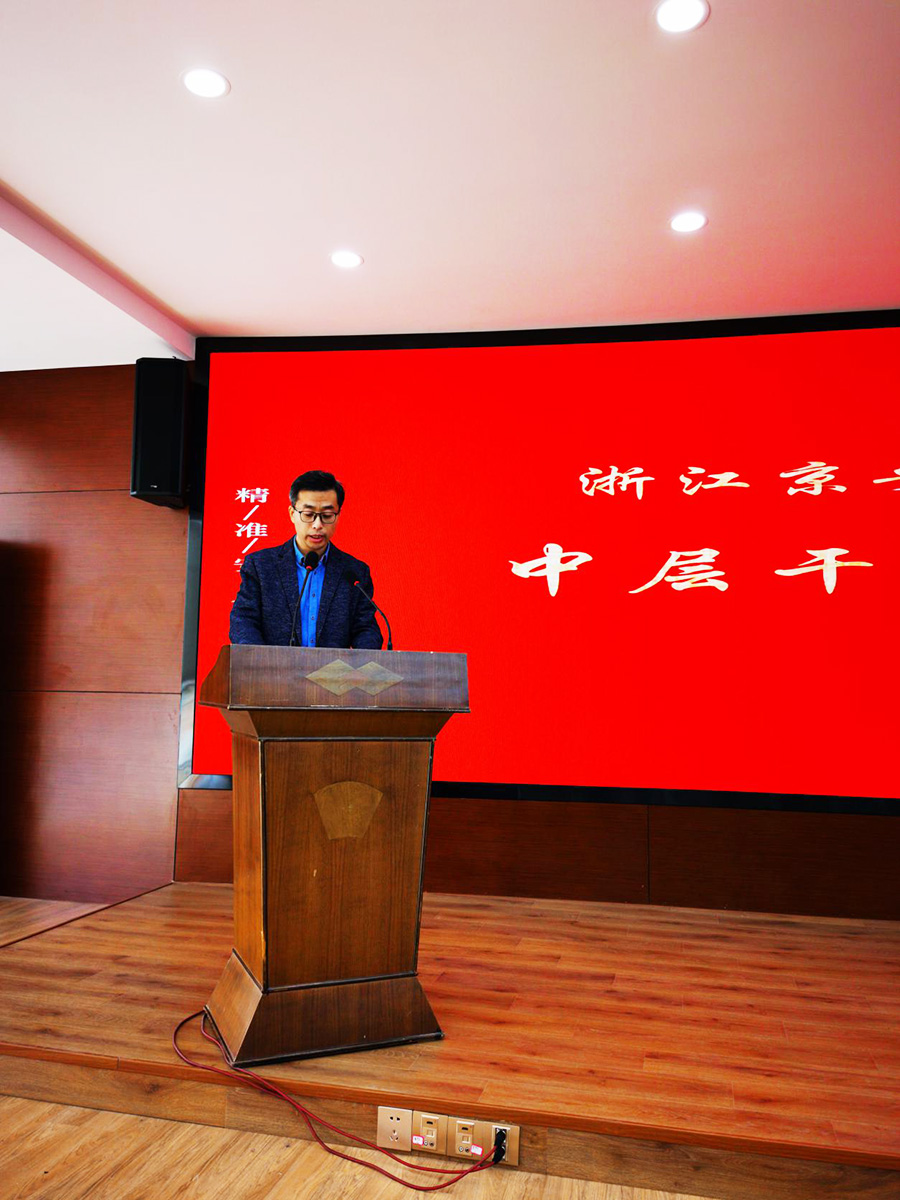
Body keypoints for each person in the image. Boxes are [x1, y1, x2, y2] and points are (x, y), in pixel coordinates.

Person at [229, 469, 382, 648]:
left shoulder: (355, 572)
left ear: (338, 516)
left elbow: (366, 629)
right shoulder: (260, 566)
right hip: (272, 666)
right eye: (308, 515)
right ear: (292, 514)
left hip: (333, 667)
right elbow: (243, 621)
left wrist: (364, 656)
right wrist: (261, 659)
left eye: (327, 516)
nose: (317, 525)